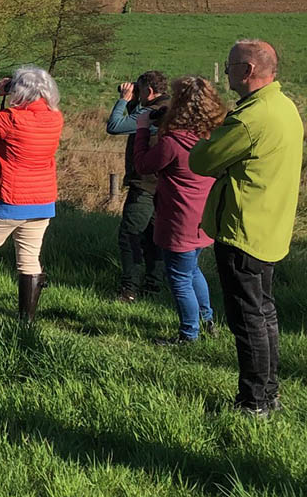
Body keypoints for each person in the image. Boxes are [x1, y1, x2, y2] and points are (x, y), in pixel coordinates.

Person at [189, 40, 304, 417]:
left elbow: (201, 161)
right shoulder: (284, 106)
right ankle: (269, 394)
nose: (225, 73)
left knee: (247, 320)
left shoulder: (250, 119)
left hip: (243, 229)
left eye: (229, 66)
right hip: (271, 225)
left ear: (247, 71)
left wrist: (213, 142)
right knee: (264, 314)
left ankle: (253, 404)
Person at [0, 66, 64, 323]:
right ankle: (26, 321)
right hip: (40, 202)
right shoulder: (55, 118)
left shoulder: (12, 119)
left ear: (19, 92)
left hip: (6, 201)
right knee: (29, 260)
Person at [132, 76, 224, 345]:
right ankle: (207, 321)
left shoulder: (173, 143)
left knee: (179, 277)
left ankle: (189, 334)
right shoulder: (213, 137)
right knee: (192, 270)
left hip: (178, 219)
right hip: (203, 215)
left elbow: (143, 165)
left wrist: (142, 130)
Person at [106, 71, 170, 302]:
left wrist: (123, 100)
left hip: (145, 186)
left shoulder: (151, 112)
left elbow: (115, 126)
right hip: (165, 186)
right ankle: (153, 288)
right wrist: (136, 102)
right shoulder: (168, 108)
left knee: (130, 236)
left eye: (139, 90)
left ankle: (129, 289)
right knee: (155, 238)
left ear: (149, 91)